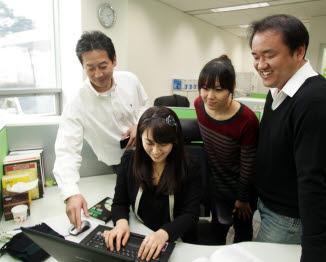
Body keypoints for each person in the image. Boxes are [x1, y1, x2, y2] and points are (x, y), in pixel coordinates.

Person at [249, 14, 326, 262]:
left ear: (299, 51)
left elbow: (314, 183)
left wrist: (314, 254)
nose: (261, 64)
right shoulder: (277, 88)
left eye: (269, 55)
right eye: (256, 57)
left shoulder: (316, 101)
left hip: (287, 219)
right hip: (266, 206)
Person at [53, 31, 149, 231]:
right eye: (90, 68)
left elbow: (145, 107)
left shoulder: (130, 80)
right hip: (119, 166)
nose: (98, 74)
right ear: (83, 67)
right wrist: (70, 193)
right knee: (131, 215)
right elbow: (66, 151)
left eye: (103, 66)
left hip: (149, 153)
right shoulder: (77, 103)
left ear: (114, 60)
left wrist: (140, 124)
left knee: (155, 209)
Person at [103, 106, 201, 262]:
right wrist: (121, 223)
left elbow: (191, 214)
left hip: (177, 236)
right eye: (149, 143)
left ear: (174, 141)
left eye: (163, 144)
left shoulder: (190, 167)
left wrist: (163, 234)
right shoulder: (129, 161)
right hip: (140, 231)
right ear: (140, 137)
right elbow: (120, 202)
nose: (156, 151)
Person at [194, 55, 259, 244]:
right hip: (216, 186)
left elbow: (248, 163)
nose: (210, 96)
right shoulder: (199, 105)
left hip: (242, 188)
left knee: (243, 232)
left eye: (219, 89)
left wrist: (243, 198)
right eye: (205, 88)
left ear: (232, 87)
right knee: (217, 231)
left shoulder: (247, 120)